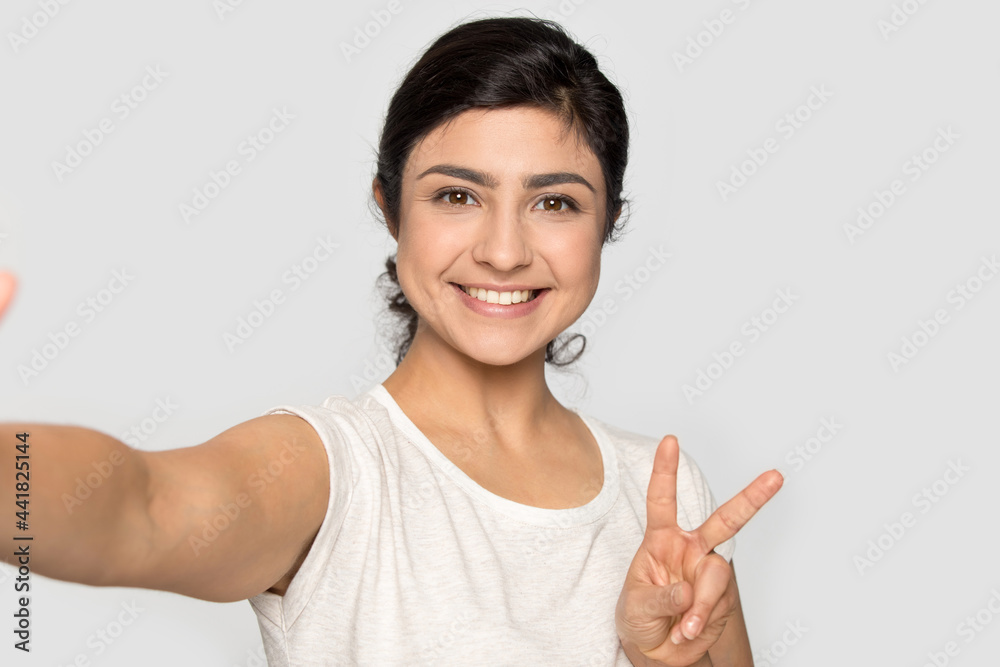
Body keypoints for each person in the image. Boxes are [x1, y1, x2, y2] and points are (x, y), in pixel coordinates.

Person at [0, 16, 781, 667]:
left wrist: (657, 657)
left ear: (607, 221)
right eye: (457, 194)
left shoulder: (663, 496)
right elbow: (142, 505)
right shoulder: (331, 472)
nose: (504, 250)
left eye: (554, 202)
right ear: (389, 207)